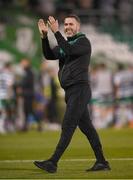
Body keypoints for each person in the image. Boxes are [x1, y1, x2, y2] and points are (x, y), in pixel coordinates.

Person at [34, 14, 111, 173]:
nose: (68, 26)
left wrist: (56, 32)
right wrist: (44, 37)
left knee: (68, 125)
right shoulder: (66, 43)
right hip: (72, 92)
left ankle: (53, 162)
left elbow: (68, 50)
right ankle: (102, 161)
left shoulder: (83, 42)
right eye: (66, 24)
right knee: (88, 128)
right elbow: (49, 55)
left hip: (80, 90)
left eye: (71, 24)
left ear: (78, 27)